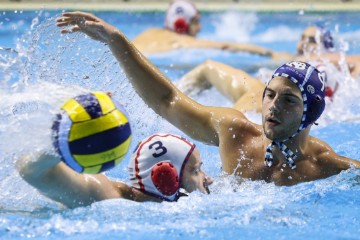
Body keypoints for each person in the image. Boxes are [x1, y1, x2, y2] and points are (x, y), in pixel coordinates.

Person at [56, 12, 360, 187]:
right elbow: (167, 99)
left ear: (311, 113)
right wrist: (116, 40)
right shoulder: (236, 133)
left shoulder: (330, 168)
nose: (273, 106)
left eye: (289, 101)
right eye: (270, 95)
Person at [176, 25, 360, 112]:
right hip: (264, 91)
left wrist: (347, 86)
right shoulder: (291, 58)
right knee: (208, 69)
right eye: (302, 37)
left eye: (311, 40)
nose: (303, 43)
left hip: (270, 98)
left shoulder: (327, 60)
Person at [17, 133, 213, 208]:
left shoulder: (179, 202)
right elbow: (29, 170)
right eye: (196, 170)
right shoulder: (100, 194)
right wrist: (67, 144)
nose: (208, 178)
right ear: (165, 177)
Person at [131, 0, 291, 59]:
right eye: (195, 22)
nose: (199, 27)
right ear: (181, 25)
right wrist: (270, 53)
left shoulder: (147, 33)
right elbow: (224, 46)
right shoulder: (180, 40)